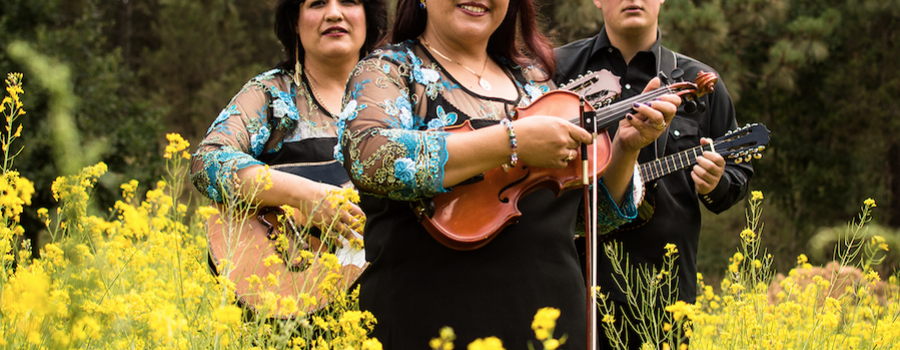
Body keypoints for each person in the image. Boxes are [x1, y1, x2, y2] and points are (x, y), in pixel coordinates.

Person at [333, 0, 682, 347]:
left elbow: (589, 219)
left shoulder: (536, 84)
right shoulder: (389, 70)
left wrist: (626, 148)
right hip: (430, 325)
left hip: (553, 325)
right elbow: (370, 157)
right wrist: (509, 141)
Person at [554, 0, 754, 348]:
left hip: (664, 294)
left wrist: (716, 182)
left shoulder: (699, 81)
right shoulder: (557, 70)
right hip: (568, 283)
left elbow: (737, 174)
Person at [190, 0, 385, 281]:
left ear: (368, 17)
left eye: (348, 1)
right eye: (317, 3)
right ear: (295, 21)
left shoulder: (400, 96)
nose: (333, 13)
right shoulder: (271, 95)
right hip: (287, 293)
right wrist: (306, 196)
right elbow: (207, 161)